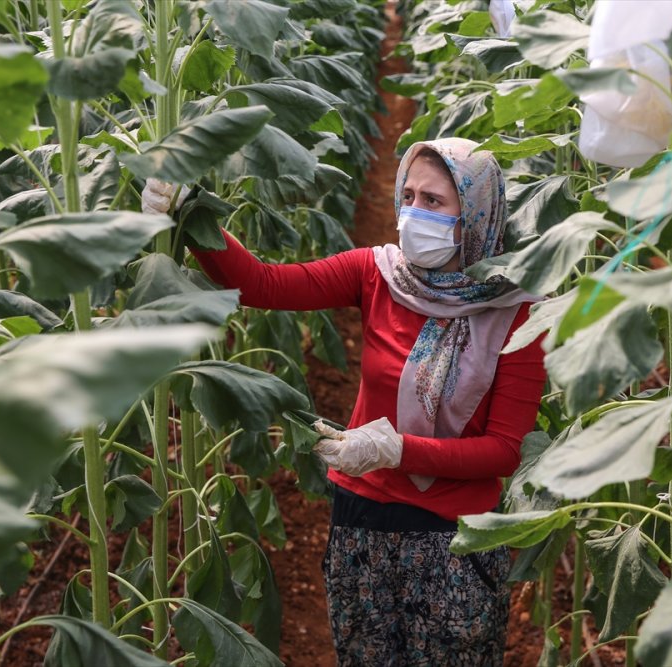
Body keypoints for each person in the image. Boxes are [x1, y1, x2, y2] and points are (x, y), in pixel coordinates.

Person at [143, 137, 546, 666]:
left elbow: (503, 451)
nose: (414, 212)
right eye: (409, 196)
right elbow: (263, 283)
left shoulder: (515, 314)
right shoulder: (380, 273)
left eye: (435, 201)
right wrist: (191, 211)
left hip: (455, 543)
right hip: (362, 523)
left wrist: (398, 450)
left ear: (475, 213)